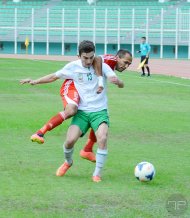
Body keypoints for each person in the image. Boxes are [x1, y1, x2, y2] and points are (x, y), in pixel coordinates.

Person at [20, 40, 126, 182]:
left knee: (102, 138)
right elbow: (53, 77)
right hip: (82, 112)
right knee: (69, 141)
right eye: (85, 58)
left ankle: (97, 174)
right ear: (78, 56)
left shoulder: (102, 65)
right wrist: (34, 81)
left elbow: (117, 81)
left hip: (99, 111)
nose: (89, 61)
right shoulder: (72, 67)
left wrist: (118, 82)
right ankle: (68, 162)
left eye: (91, 57)